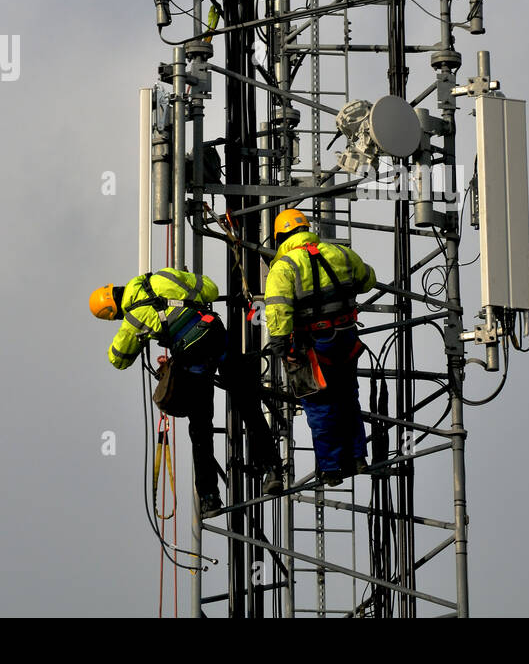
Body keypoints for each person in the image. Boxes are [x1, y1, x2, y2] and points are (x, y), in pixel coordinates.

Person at [90, 268, 282, 515]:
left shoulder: (133, 318)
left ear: (114, 312)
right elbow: (211, 289)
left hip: (194, 360)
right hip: (216, 337)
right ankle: (273, 469)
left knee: (201, 429)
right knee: (248, 405)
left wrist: (140, 332)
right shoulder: (162, 277)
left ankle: (210, 498)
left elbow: (118, 359)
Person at [264, 209, 377, 486]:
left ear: (280, 237)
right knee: (348, 398)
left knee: (319, 405)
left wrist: (281, 345)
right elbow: (368, 280)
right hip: (346, 339)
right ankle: (358, 457)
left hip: (313, 347)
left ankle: (331, 467)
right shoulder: (340, 253)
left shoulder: (284, 267)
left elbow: (278, 311)